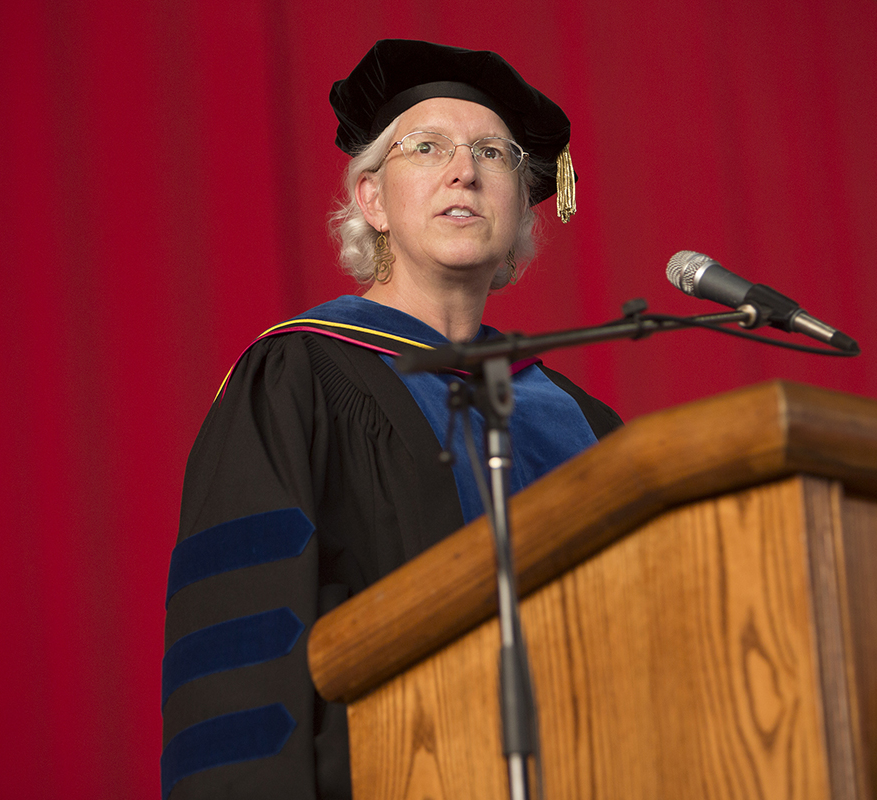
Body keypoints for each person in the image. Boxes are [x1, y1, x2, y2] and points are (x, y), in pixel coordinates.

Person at [160, 39, 622, 800]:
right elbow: (239, 654)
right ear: (372, 200)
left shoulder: (580, 420)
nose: (465, 170)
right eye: (427, 146)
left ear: (520, 201)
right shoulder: (296, 379)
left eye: (494, 153)